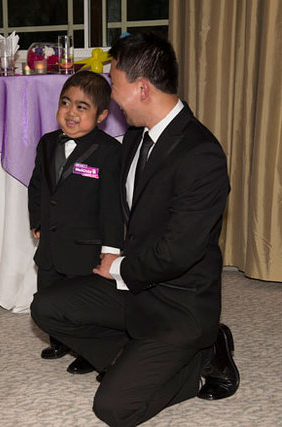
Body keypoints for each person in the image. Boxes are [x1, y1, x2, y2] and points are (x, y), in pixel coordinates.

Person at [31, 32, 239, 426]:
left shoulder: (201, 155)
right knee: (46, 307)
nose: (113, 97)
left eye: (116, 84)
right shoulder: (131, 140)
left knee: (114, 408)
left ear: (141, 88)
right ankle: (126, 356)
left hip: (176, 304)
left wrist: (120, 268)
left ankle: (204, 358)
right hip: (132, 291)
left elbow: (179, 251)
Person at [28, 71, 124, 376]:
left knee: (79, 302)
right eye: (65, 103)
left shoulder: (110, 152)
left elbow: (112, 207)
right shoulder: (46, 143)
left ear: (102, 115)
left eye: (82, 107)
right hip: (51, 244)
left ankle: (88, 350)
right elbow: (37, 185)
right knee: (47, 292)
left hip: (85, 247)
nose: (71, 112)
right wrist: (36, 218)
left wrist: (111, 249)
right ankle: (61, 340)